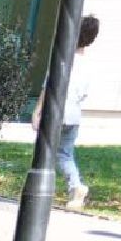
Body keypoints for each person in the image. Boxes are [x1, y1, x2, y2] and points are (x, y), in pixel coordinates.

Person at [34, 13, 99, 210]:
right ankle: (75, 186)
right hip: (74, 114)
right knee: (65, 153)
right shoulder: (87, 64)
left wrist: (37, 110)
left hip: (56, 110)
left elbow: (49, 84)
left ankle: (43, 188)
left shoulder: (63, 58)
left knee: (46, 151)